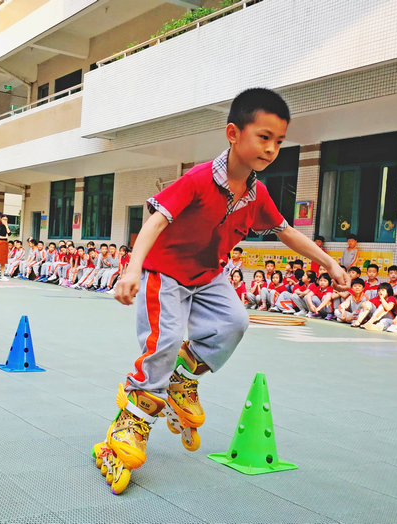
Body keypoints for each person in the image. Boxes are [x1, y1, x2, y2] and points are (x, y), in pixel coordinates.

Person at [93, 88, 349, 494]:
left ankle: (182, 379)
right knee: (164, 340)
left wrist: (330, 263)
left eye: (279, 141)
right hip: (165, 272)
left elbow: (286, 232)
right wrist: (133, 267)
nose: (271, 149)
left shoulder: (257, 194)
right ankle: (131, 422)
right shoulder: (198, 179)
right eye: (263, 137)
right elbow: (155, 221)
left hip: (208, 275)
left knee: (234, 322)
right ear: (233, 133)